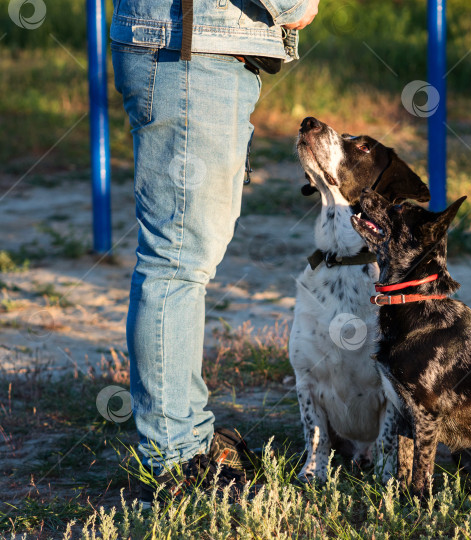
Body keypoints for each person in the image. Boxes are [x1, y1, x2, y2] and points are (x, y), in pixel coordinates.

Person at [110, 0, 320, 506]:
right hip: (188, 52)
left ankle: (183, 435)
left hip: (188, 48)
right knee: (177, 260)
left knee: (183, 257)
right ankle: (172, 460)